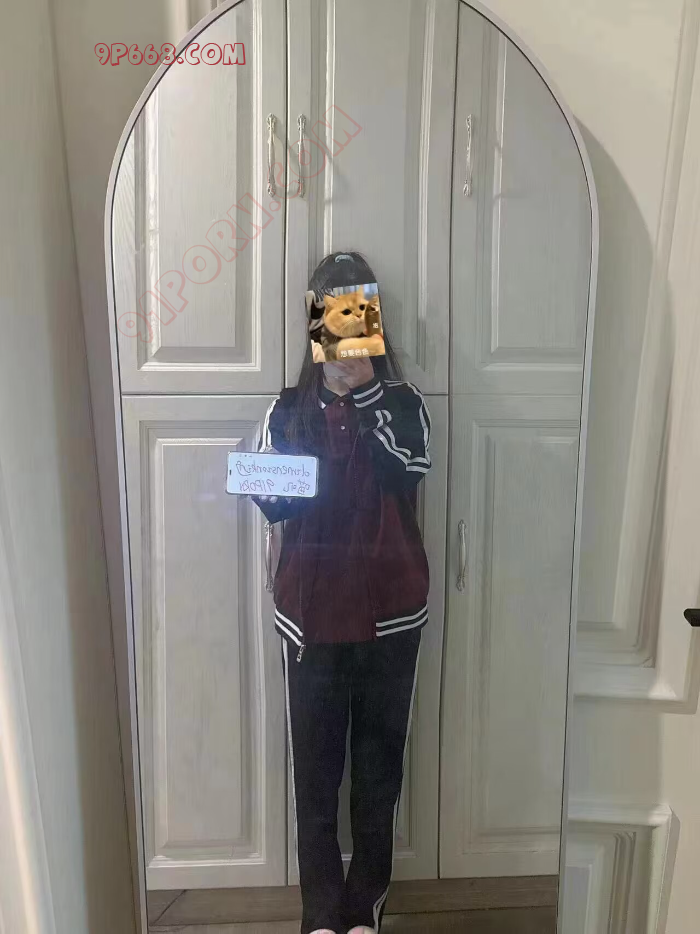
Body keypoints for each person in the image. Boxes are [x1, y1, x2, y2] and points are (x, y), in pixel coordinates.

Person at [253, 252, 431, 934]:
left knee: (379, 775)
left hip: (392, 619)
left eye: (357, 311)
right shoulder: (287, 408)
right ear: (313, 322)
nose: (343, 328)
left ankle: (365, 908)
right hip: (311, 621)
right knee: (316, 779)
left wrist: (362, 393)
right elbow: (271, 499)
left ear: (374, 321)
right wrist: (281, 476)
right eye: (330, 312)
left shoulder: (404, 403)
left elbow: (406, 468)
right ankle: (321, 913)